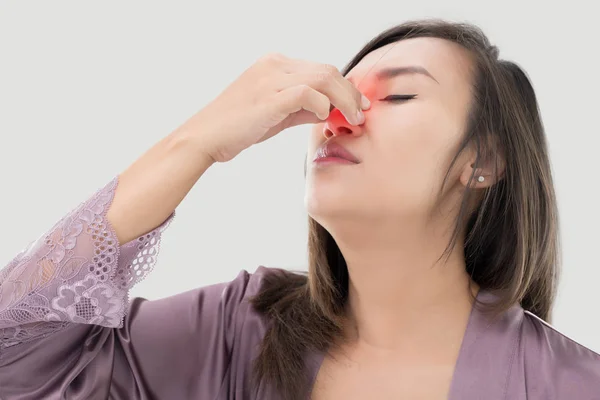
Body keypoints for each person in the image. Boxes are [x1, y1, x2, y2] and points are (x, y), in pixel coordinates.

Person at [0, 18, 598, 400]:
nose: (336, 120)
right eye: (337, 96)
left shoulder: (572, 386)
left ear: (484, 162)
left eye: (397, 95)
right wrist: (197, 142)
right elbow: (14, 352)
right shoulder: (236, 332)